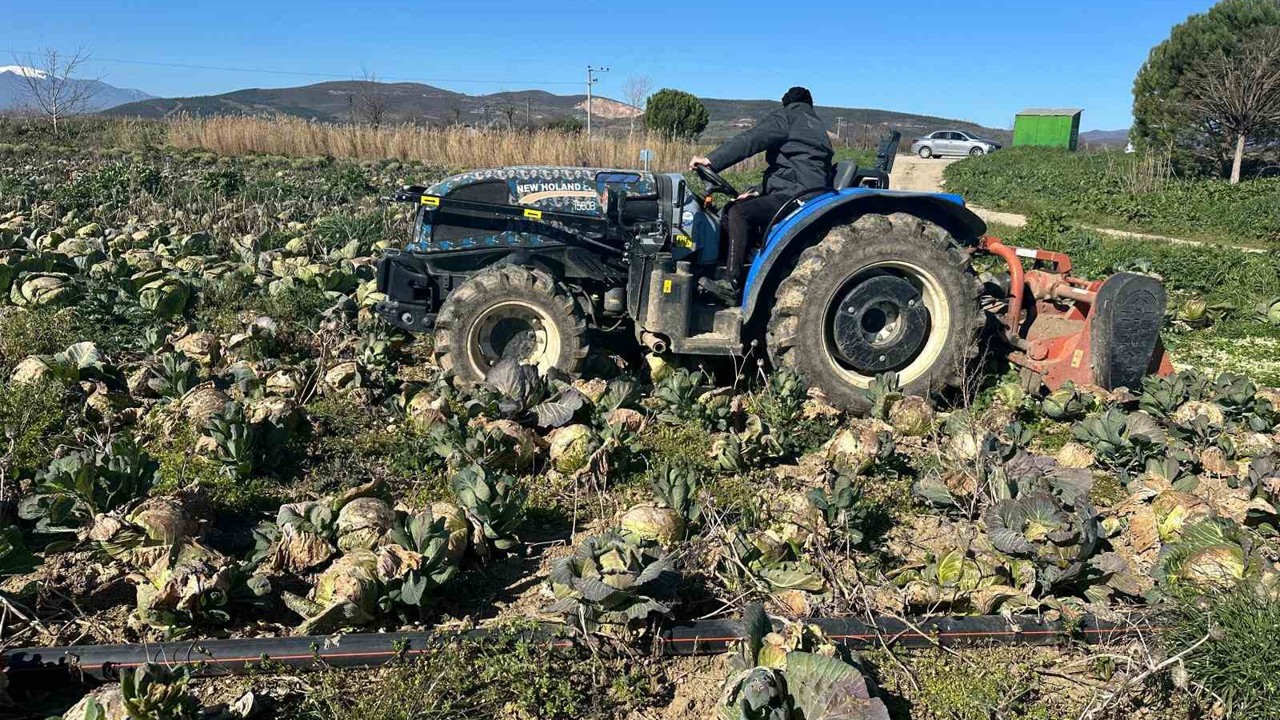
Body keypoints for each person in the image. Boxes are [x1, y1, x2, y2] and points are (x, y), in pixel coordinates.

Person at [689, 86, 834, 302]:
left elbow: (751, 140)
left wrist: (712, 160)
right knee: (733, 207)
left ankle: (731, 283)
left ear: (786, 103)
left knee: (738, 213)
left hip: (795, 195)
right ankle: (744, 262)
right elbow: (793, 169)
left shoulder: (789, 117)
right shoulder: (816, 126)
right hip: (810, 192)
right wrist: (756, 191)